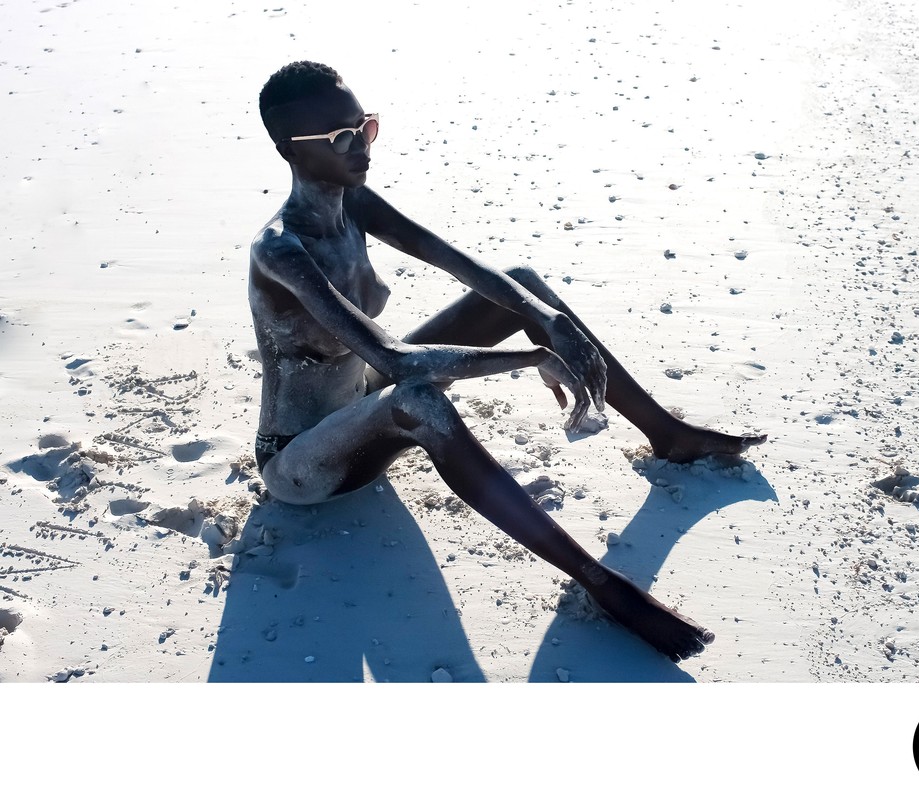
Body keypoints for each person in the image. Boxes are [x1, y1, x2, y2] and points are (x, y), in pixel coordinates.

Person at [250, 60, 766, 663]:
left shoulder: (355, 203)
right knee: (420, 399)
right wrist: (534, 356)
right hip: (303, 461)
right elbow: (394, 357)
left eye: (364, 127)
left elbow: (462, 265)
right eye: (339, 138)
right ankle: (600, 584)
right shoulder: (281, 249)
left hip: (360, 397)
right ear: (291, 150)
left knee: (521, 285)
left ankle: (666, 433)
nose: (359, 146)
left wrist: (548, 320)